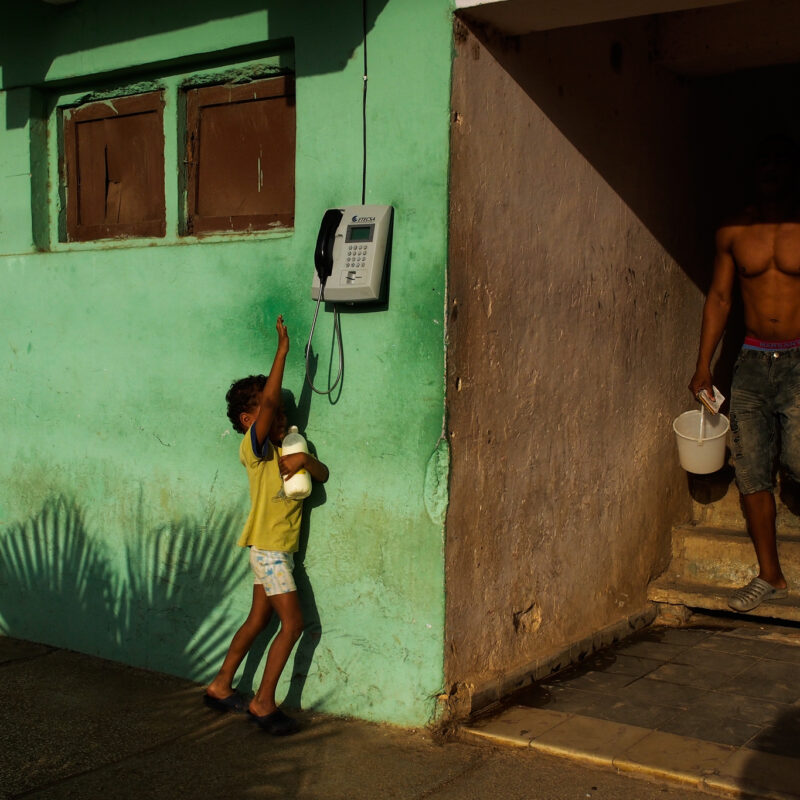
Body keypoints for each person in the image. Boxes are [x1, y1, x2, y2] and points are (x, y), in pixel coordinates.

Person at [689, 135, 800, 613]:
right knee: (752, 472)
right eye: (763, 162)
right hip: (752, 363)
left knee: (797, 462)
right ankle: (769, 577)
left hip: (799, 360)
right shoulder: (734, 231)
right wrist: (702, 365)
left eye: (779, 161)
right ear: (753, 174)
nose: (771, 171)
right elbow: (719, 299)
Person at [204, 315, 329, 734]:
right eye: (267, 410)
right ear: (247, 421)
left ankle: (221, 686)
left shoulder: (286, 451)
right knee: (293, 624)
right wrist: (282, 353)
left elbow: (323, 475)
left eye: (279, 411)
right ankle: (263, 702)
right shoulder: (254, 451)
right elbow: (271, 404)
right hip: (271, 551)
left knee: (259, 620)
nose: (278, 415)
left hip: (271, 550)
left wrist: (305, 460)